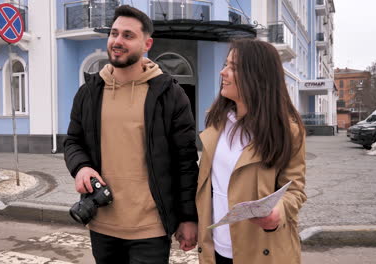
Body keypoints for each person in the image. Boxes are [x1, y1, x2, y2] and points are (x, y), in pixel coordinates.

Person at [63, 5, 199, 264]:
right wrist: (80, 167)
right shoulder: (89, 92)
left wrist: (188, 217)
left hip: (150, 228)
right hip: (102, 225)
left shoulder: (170, 95)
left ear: (147, 43)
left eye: (128, 35)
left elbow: (185, 162)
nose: (117, 41)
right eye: (114, 33)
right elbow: (73, 141)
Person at [196, 38, 307, 264]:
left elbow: (295, 190)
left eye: (232, 68)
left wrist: (278, 212)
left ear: (256, 76)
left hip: (263, 252)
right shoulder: (216, 122)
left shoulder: (288, 130)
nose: (222, 72)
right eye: (225, 65)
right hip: (214, 249)